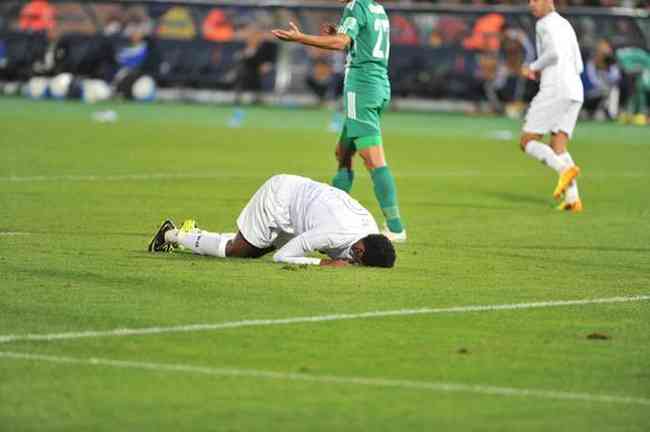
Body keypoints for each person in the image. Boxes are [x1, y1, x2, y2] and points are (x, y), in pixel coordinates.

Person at [271, 0, 407, 242]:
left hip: (362, 86)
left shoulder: (356, 5)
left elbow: (340, 43)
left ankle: (396, 228)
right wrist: (341, 31)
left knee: (373, 159)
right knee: (343, 152)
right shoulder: (376, 7)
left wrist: (300, 38)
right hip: (378, 84)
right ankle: (330, 215)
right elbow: (359, 39)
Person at [148, 174, 396, 268]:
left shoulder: (370, 232)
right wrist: (322, 264)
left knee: (255, 249)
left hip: (301, 209)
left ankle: (193, 234)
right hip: (279, 200)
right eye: (360, 263)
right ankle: (171, 235)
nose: (355, 266)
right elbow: (281, 258)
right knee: (239, 252)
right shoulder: (335, 233)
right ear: (359, 249)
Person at [520, 0, 584, 213]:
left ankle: (564, 169)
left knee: (527, 141)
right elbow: (580, 64)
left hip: (555, 87)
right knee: (558, 145)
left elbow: (554, 53)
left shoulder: (544, 23)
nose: (531, 4)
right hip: (575, 88)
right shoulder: (566, 24)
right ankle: (573, 198)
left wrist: (533, 67)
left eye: (536, 0)